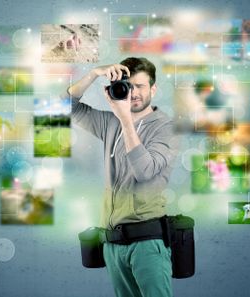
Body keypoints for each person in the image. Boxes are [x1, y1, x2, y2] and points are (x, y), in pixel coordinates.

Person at [68, 57, 177, 297]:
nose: (134, 93)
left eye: (141, 86)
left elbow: (145, 171)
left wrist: (126, 118)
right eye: (130, 86)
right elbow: (64, 106)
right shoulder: (110, 123)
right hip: (113, 244)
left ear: (153, 89)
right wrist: (95, 73)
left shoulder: (165, 127)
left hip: (147, 243)